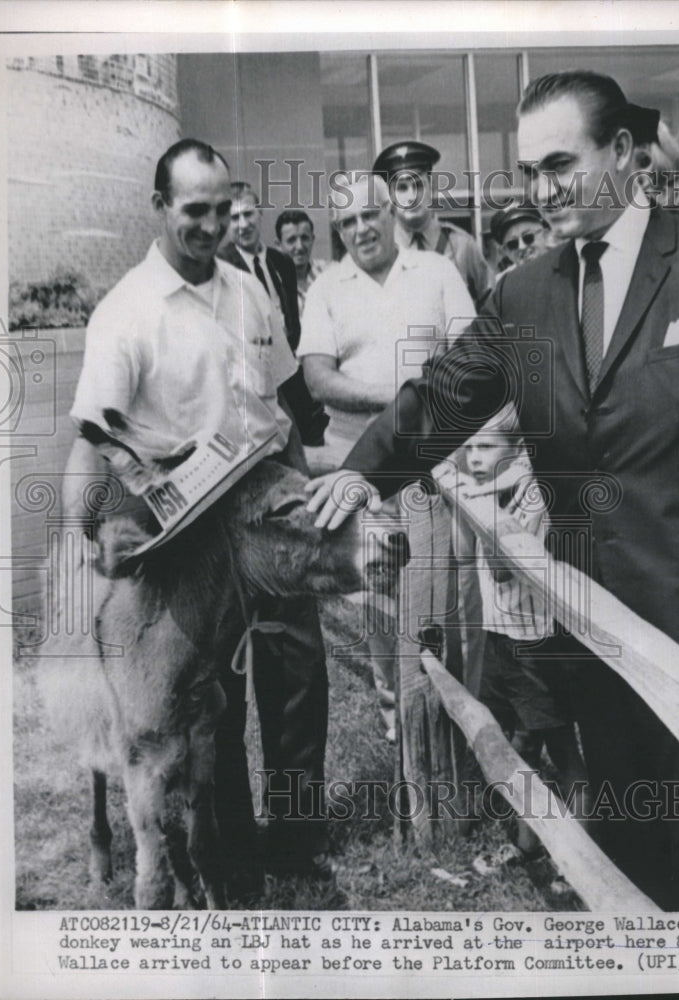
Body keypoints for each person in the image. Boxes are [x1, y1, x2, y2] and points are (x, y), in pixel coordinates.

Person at [307, 70, 679, 911]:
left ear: (625, 153)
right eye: (529, 170)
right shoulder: (525, 292)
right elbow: (445, 395)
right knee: (628, 842)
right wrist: (358, 470)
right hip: (589, 621)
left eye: (560, 163)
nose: (542, 187)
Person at [63, 139, 333, 893]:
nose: (212, 226)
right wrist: (98, 527)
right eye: (194, 211)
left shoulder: (248, 290)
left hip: (268, 513)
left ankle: (297, 840)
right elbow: (92, 436)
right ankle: (231, 852)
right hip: (189, 534)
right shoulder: (128, 311)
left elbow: (279, 407)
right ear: (159, 209)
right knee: (218, 696)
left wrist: (305, 506)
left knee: (298, 673)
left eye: (222, 209)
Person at [298, 172, 475, 742]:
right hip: (358, 465)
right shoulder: (327, 287)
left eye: (367, 215)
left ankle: (454, 711)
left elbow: (473, 361)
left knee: (445, 586)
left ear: (390, 213)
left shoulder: (437, 271)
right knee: (377, 595)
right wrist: (401, 399)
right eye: (345, 222)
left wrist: (418, 411)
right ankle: (397, 715)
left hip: (437, 461)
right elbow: (317, 378)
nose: (359, 230)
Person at [461, 412, 588, 798]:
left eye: (485, 447)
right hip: (499, 634)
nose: (474, 459)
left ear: (517, 452)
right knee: (516, 741)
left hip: (534, 643)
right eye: (469, 448)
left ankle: (589, 843)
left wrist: (482, 504)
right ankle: (525, 844)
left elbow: (501, 571)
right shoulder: (493, 490)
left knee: (562, 751)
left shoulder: (531, 494)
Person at [219, 183, 328, 447]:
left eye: (248, 214)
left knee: (308, 440)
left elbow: (291, 320)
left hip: (290, 370)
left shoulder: (282, 263)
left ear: (260, 215)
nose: (243, 224)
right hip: (254, 375)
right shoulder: (221, 266)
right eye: (234, 218)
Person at [373, 140, 493, 307]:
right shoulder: (382, 252)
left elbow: (492, 309)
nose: (412, 196)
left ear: (432, 188)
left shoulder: (462, 246)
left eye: (419, 185)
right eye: (402, 188)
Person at [275, 209, 329, 316]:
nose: (299, 247)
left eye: (304, 238)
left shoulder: (329, 273)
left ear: (312, 240)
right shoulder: (271, 284)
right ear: (278, 245)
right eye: (291, 240)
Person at [489, 200, 556, 276]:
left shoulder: (567, 269)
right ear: (505, 251)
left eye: (528, 238)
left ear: (546, 235)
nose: (522, 247)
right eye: (513, 244)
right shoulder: (505, 283)